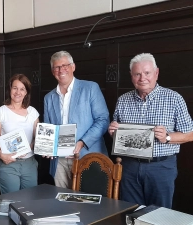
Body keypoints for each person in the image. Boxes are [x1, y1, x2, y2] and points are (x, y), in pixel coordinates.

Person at [108, 53, 193, 208]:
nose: (142, 78)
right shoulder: (123, 100)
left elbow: (190, 134)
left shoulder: (174, 99)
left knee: (159, 216)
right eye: (137, 74)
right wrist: (113, 131)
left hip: (161, 167)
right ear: (131, 76)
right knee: (130, 212)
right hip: (129, 166)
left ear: (156, 73)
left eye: (147, 73)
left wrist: (167, 137)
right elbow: (117, 134)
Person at [44, 51, 109, 188]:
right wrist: (47, 147)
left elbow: (103, 120)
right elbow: (48, 129)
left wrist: (82, 142)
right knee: (62, 203)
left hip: (88, 156)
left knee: (89, 204)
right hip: (59, 162)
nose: (61, 70)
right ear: (52, 71)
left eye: (65, 65)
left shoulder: (90, 88)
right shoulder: (48, 98)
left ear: (73, 67)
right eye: (57, 67)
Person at [0, 74, 39, 194]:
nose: (18, 92)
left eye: (22, 89)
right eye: (15, 88)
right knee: (11, 202)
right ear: (10, 89)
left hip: (29, 164)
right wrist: (2, 156)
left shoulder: (33, 112)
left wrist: (29, 147)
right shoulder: (0, 112)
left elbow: (38, 137)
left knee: (30, 201)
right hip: (8, 164)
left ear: (26, 92)